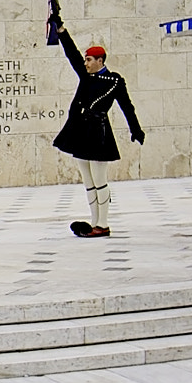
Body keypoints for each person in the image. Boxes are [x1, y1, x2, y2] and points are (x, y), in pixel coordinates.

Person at [50, 21, 145, 238]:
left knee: (99, 178)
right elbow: (72, 55)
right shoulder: (86, 76)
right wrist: (62, 33)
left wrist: (135, 129)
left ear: (100, 60)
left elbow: (126, 106)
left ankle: (102, 224)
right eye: (86, 59)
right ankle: (95, 222)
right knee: (87, 179)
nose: (85, 63)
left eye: (89, 60)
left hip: (98, 132)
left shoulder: (114, 81)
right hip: (80, 131)